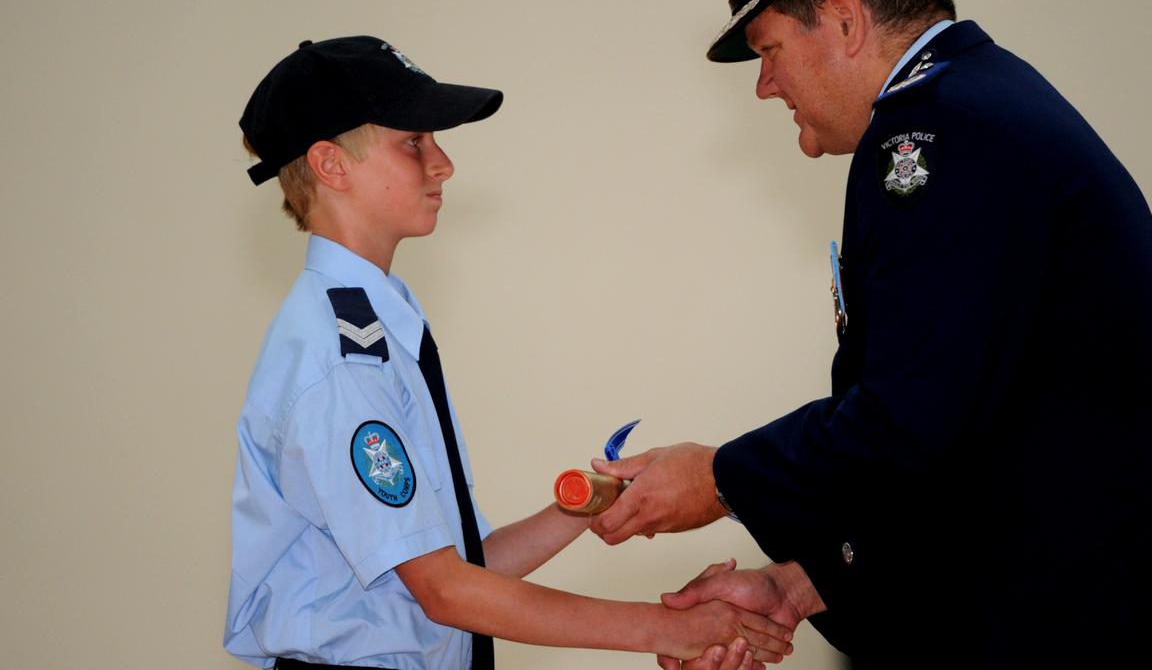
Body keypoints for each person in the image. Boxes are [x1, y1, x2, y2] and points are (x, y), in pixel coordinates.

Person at [587, 0, 1152, 668]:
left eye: (769, 50)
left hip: (1094, 625)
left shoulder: (934, 132)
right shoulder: (979, 99)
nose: (765, 86)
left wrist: (718, 478)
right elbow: (974, 443)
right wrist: (800, 587)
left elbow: (910, 419)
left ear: (846, 19)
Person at [224, 35, 794, 670]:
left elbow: (462, 567)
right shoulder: (342, 359)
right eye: (414, 142)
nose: (443, 164)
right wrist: (665, 628)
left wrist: (589, 500)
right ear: (331, 165)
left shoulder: (382, 323)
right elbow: (446, 593)